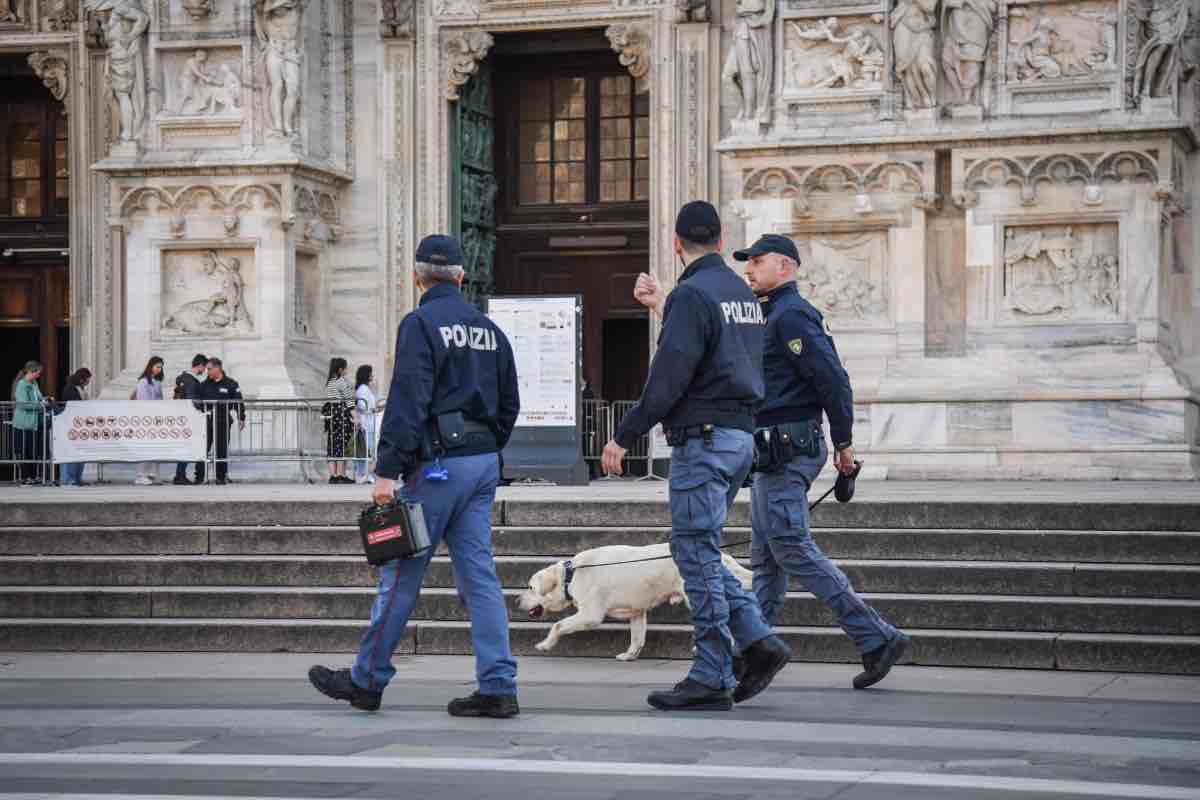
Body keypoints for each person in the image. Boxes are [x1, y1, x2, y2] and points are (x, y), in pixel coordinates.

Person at [309, 234, 521, 718]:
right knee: (480, 578)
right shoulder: (490, 330)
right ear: (463, 277)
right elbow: (510, 404)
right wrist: (485, 448)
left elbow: (409, 399)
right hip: (482, 463)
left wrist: (386, 471)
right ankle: (498, 684)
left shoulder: (420, 324)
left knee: (401, 572)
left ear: (416, 278)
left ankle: (367, 679)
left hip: (438, 467)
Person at [602, 201, 790, 711]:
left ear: (676, 243)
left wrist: (624, 435)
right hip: (738, 437)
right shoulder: (740, 292)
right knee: (700, 549)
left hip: (703, 439)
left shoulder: (693, 294)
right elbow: (722, 352)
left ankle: (712, 671)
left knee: (694, 554)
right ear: (723, 236)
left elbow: (670, 375)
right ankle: (758, 638)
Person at [735, 234, 910, 689]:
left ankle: (875, 635)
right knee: (767, 558)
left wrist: (844, 442)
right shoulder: (769, 313)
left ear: (786, 267)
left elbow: (833, 378)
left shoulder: (792, 314)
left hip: (788, 449)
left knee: (789, 547)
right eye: (747, 262)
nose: (749, 269)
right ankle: (754, 651)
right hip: (770, 452)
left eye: (757, 261)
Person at [194, 358, 244, 485]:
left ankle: (220, 477)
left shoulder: (230, 383)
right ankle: (199, 477)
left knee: (221, 449)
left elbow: (238, 401)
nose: (207, 372)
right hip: (206, 422)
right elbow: (197, 401)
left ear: (218, 368)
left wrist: (241, 417)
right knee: (202, 449)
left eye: (209, 369)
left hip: (223, 421)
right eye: (207, 369)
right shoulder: (204, 385)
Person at [173, 354, 208, 485]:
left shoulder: (183, 378)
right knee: (187, 447)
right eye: (204, 368)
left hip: (183, 417)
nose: (204, 371)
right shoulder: (191, 381)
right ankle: (180, 475)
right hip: (190, 418)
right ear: (200, 365)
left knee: (185, 446)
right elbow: (193, 400)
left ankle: (179, 475)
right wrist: (204, 407)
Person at [12, 361, 46, 486]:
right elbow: (23, 403)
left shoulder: (34, 383)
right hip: (23, 423)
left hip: (33, 423)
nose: (39, 375)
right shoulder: (22, 385)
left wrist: (45, 400)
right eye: (38, 372)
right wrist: (40, 406)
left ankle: (32, 476)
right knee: (24, 451)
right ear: (31, 371)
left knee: (32, 451)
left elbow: (39, 397)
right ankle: (26, 477)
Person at [133, 356, 165, 486]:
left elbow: (160, 400)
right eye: (157, 366)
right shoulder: (143, 382)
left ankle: (153, 474)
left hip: (156, 418)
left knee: (156, 447)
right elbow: (142, 401)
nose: (159, 369)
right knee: (145, 447)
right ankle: (141, 475)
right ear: (151, 366)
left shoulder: (157, 382)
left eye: (161, 367)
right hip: (145, 419)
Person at [59, 368, 92, 486]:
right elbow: (73, 405)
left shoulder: (80, 389)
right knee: (71, 452)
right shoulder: (70, 388)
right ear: (82, 379)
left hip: (81, 425)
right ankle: (69, 479)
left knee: (80, 452)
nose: (89, 382)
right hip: (71, 424)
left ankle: (78, 478)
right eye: (88, 379)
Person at [324, 358, 355, 484]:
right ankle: (341, 474)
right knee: (342, 444)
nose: (347, 370)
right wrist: (355, 417)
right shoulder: (341, 382)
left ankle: (333, 475)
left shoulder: (329, 382)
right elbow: (349, 401)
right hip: (342, 414)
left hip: (332, 414)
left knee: (332, 444)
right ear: (340, 369)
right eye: (346, 368)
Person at [353, 364, 383, 484]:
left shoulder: (365, 388)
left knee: (370, 450)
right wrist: (373, 409)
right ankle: (364, 474)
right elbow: (363, 406)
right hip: (367, 423)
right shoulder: (362, 389)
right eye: (370, 373)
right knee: (366, 450)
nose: (372, 375)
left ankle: (368, 474)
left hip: (370, 422)